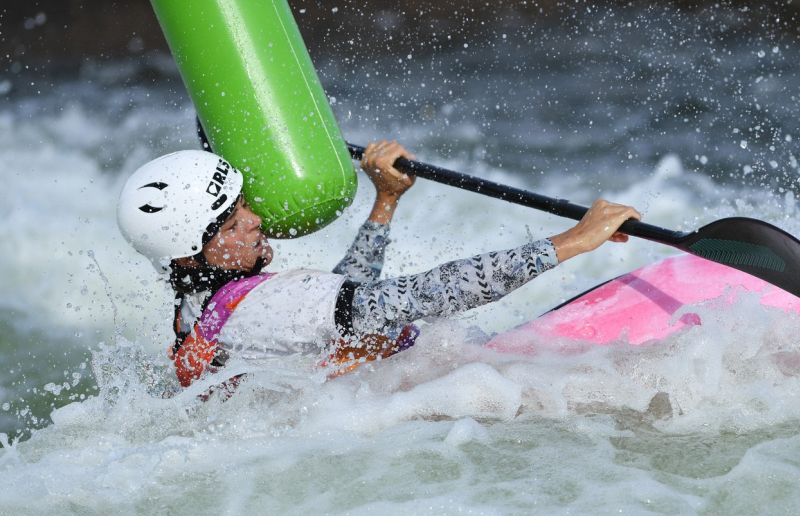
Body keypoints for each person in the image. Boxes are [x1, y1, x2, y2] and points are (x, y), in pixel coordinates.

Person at [117, 141, 641, 387]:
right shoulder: (266, 305)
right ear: (191, 253)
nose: (255, 221)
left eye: (244, 205)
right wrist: (573, 240)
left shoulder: (199, 303)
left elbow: (333, 307)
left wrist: (384, 201)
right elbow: (428, 294)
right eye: (232, 224)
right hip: (420, 407)